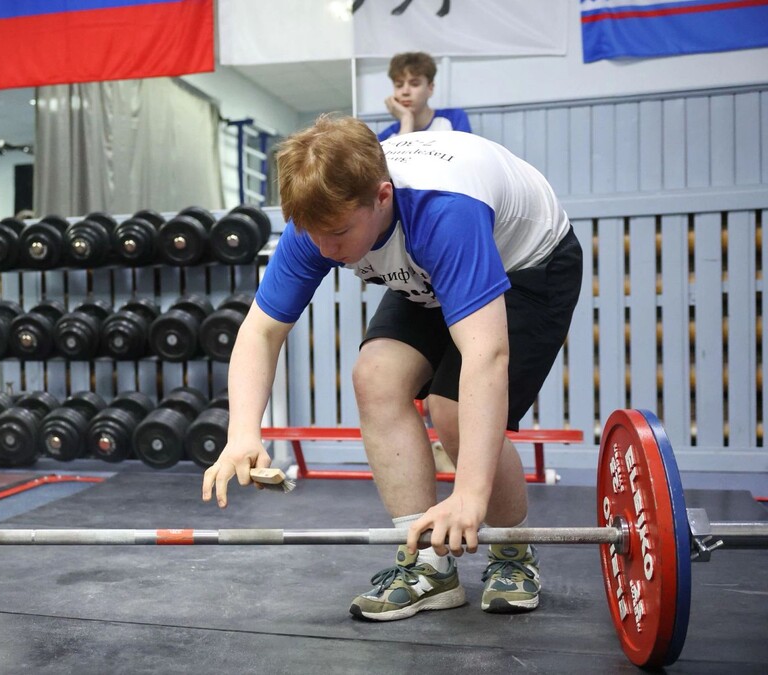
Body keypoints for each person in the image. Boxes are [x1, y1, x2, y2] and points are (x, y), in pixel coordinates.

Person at [202, 115, 582, 623]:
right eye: (313, 235)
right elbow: (261, 331)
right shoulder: (315, 225)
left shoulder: (444, 213)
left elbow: (485, 356)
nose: (325, 251)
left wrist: (469, 493)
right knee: (375, 375)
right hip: (425, 268)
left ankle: (512, 552)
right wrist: (243, 433)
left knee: (451, 412)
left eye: (337, 233)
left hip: (529, 264)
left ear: (382, 197)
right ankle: (427, 568)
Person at [378, 51, 471, 141]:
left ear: (430, 88)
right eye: (399, 85)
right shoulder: (386, 137)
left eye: (414, 84)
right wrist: (406, 119)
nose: (405, 92)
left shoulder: (454, 118)